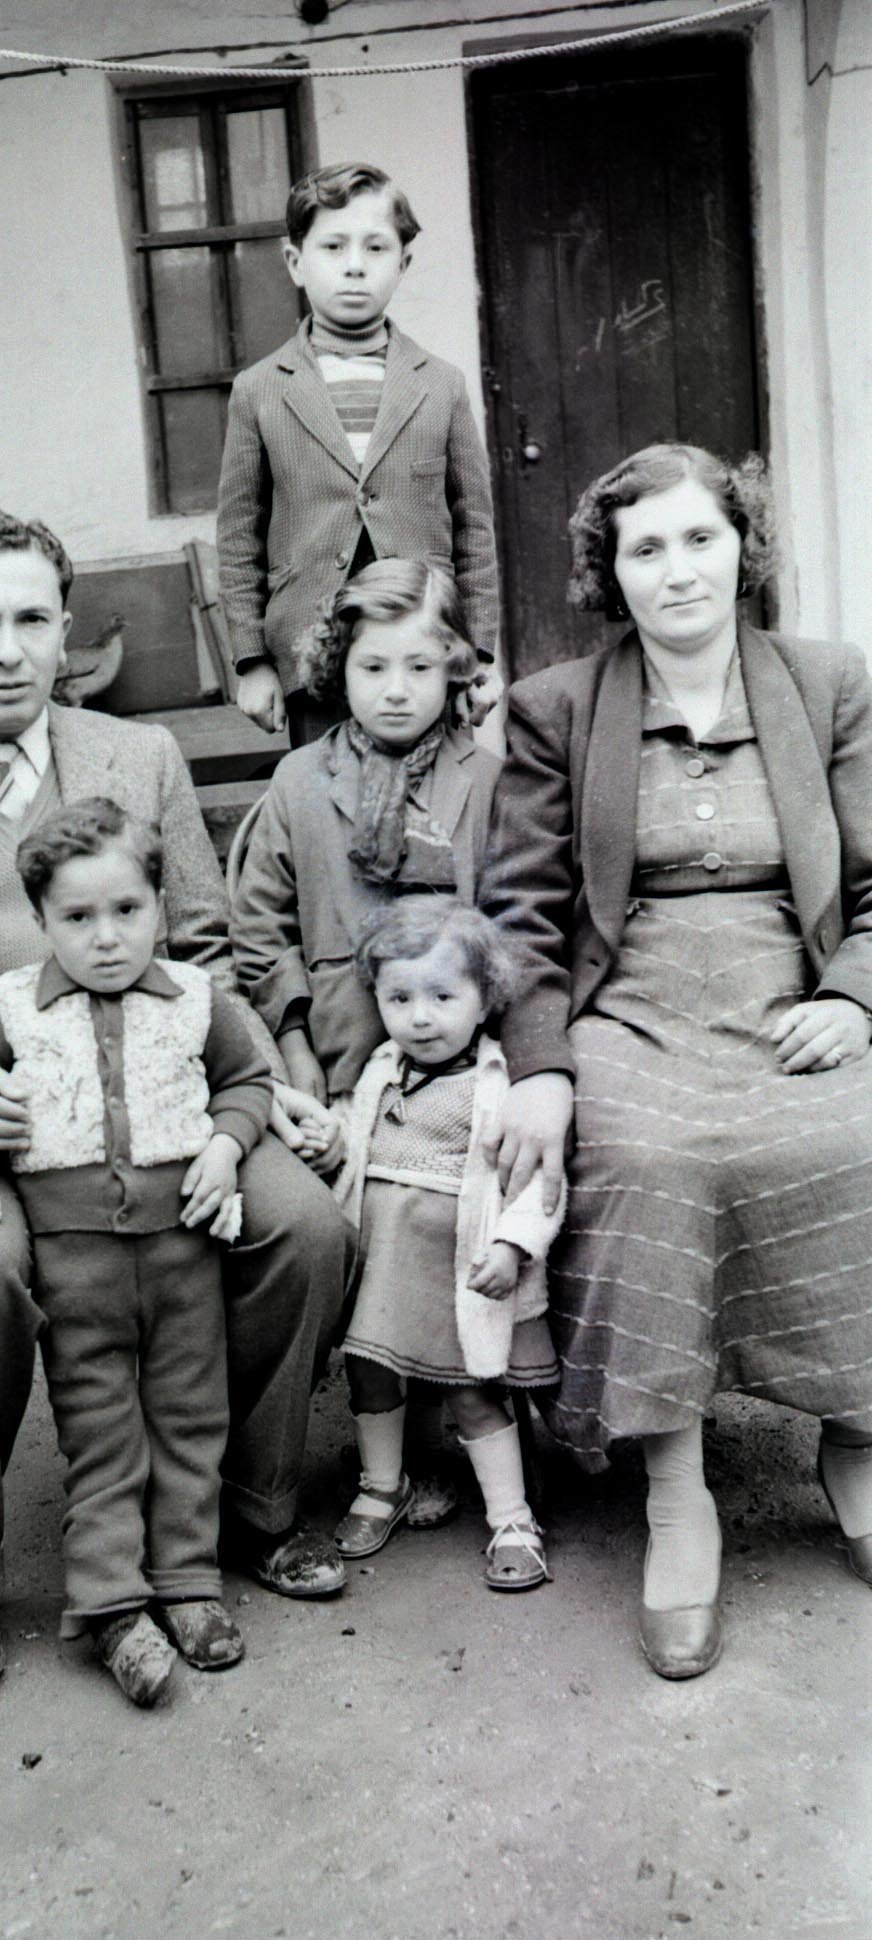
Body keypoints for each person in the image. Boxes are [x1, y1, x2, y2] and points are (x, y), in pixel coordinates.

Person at [0, 508, 353, 1693]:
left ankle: (248, 1502)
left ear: (64, 630)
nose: (7, 649)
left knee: (303, 1225)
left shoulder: (136, 758)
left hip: (161, 1099)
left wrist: (266, 1083)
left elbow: (205, 948)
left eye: (32, 619)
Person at [481, 443, 872, 1679]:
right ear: (610, 572)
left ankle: (857, 1433)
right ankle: (674, 1486)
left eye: (700, 537)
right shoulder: (556, 706)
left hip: (790, 989)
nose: (678, 568)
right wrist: (541, 1066)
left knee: (854, 1136)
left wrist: (856, 996)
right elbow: (520, 916)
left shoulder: (830, 683)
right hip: (631, 1002)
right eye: (644, 548)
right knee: (648, 1159)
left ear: (742, 547)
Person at [0, 799, 271, 1706]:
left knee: (190, 1418)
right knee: (101, 1430)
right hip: (77, 1276)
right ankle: (112, 1604)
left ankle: (189, 1585)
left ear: (161, 906)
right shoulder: (12, 1009)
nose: (107, 937)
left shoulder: (195, 999)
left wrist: (226, 1145)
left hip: (184, 1259)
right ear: (40, 920)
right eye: (77, 917)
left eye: (127, 910)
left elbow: (246, 1082)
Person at [231, 556, 502, 1522]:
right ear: (336, 668)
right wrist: (297, 1051)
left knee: (449, 1230)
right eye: (373, 667)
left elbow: (517, 921)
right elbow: (258, 928)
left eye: (421, 667)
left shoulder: (489, 780)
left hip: (458, 1072)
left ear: (456, 667)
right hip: (339, 1064)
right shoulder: (300, 781)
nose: (396, 690)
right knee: (357, 1233)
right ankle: (383, 1436)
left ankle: (473, 1420)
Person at [216, 161, 500, 747]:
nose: (354, 265)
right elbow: (239, 538)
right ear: (295, 262)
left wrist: (478, 653)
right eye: (333, 246)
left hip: (426, 653)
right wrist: (253, 661)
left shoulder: (440, 385)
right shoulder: (259, 389)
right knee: (324, 793)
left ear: (403, 263)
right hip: (310, 656)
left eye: (376, 247)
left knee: (441, 793)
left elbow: (474, 529)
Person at [332, 900, 562, 1585]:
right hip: (382, 1263)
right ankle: (383, 1485)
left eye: (442, 996)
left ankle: (512, 1519)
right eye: (399, 998)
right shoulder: (380, 1069)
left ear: (485, 999)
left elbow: (536, 1184)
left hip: (457, 1271)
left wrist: (513, 1247)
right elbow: (355, 1146)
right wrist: (327, 1140)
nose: (420, 1018)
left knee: (470, 1393)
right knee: (370, 1373)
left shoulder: (498, 1084)